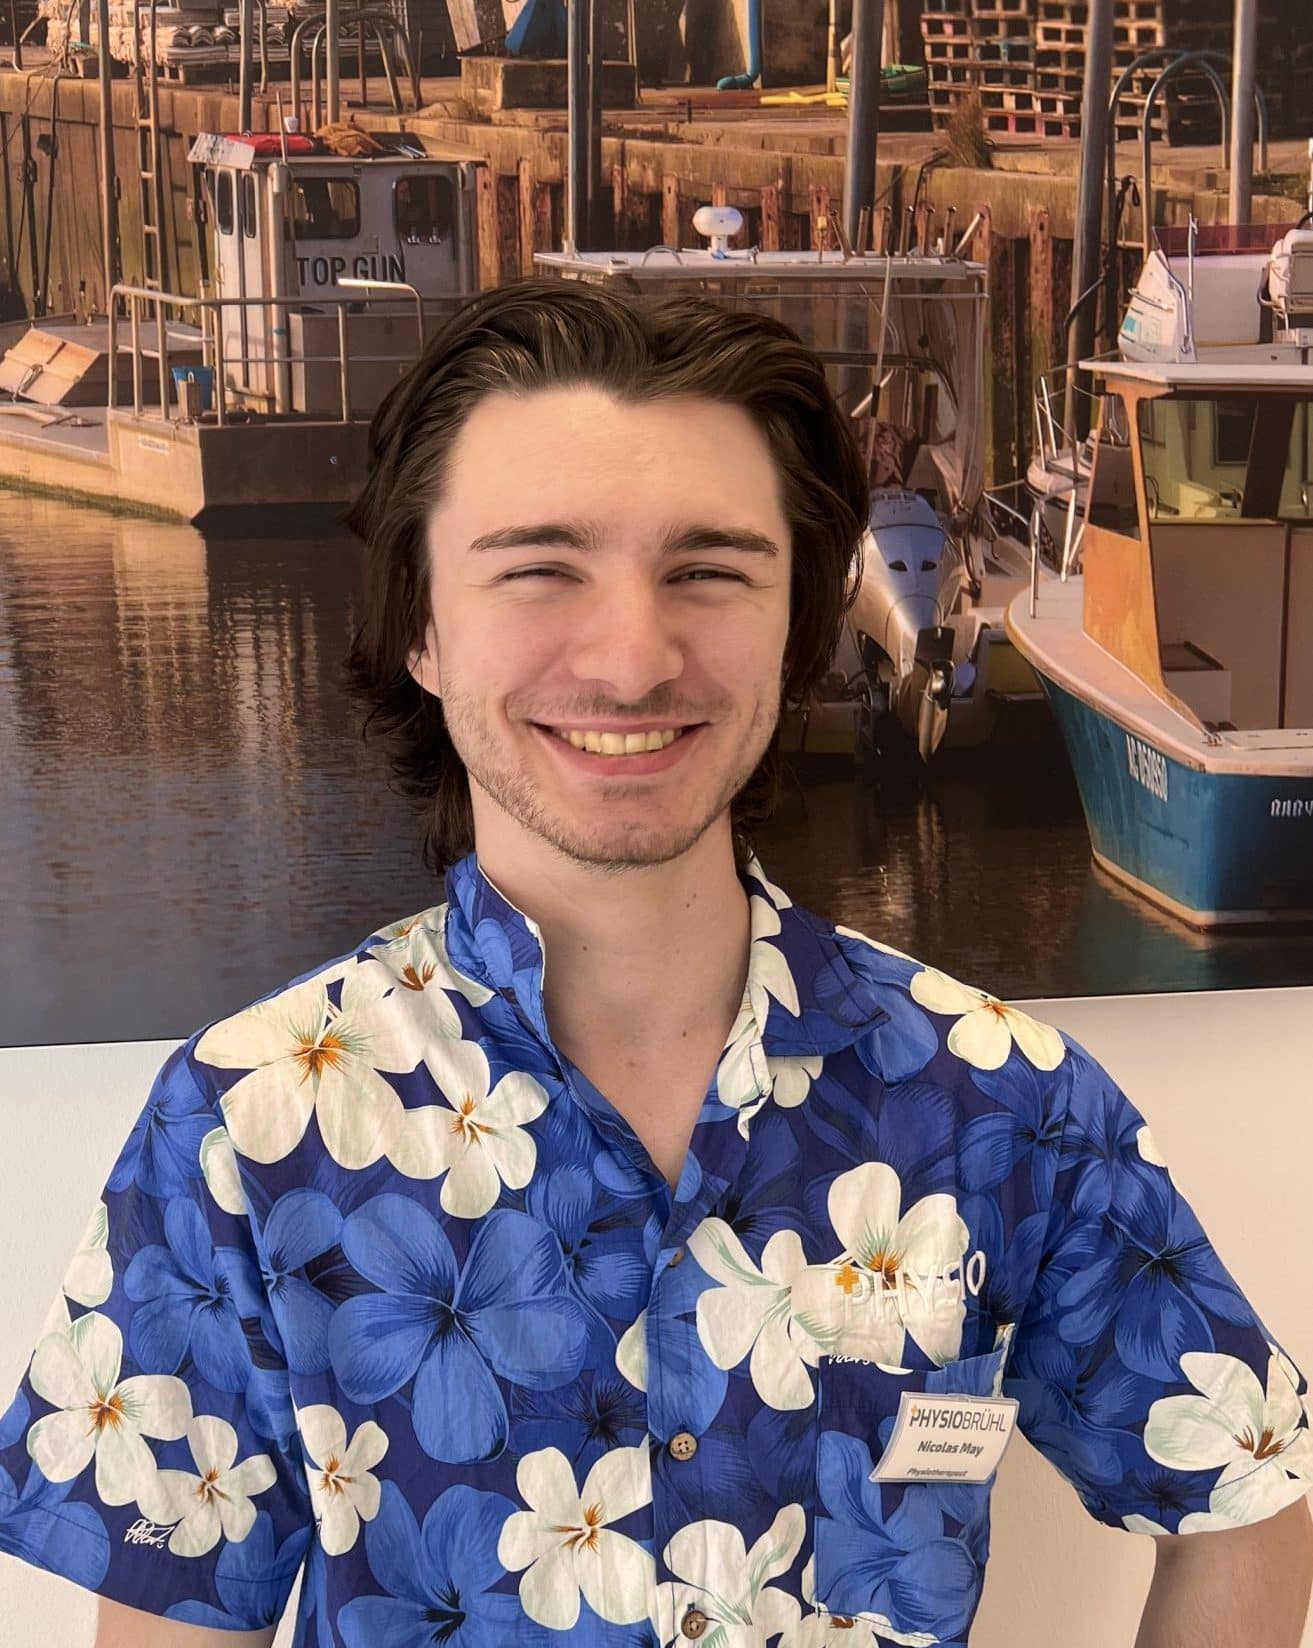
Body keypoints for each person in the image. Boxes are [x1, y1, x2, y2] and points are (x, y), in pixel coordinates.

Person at [1, 277, 1310, 1648]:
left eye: (709, 570)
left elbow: (1246, 1501)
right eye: (539, 568)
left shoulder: (1002, 1099)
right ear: (422, 627)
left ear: (799, 623)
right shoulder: (243, 1126)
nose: (632, 660)